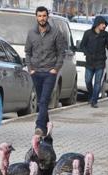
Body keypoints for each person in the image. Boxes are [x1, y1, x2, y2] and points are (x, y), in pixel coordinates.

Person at [24, 6, 65, 137]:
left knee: (44, 100)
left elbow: (61, 53)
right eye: (39, 16)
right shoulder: (31, 33)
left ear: (48, 17)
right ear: (36, 17)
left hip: (49, 72)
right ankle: (47, 125)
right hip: (36, 72)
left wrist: (56, 69)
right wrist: (30, 69)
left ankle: (39, 127)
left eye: (44, 16)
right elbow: (27, 52)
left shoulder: (56, 33)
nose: (42, 18)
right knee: (42, 101)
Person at [78, 15, 108, 108]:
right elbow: (82, 45)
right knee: (87, 80)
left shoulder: (105, 35)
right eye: (102, 24)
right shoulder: (88, 33)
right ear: (97, 24)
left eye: (105, 24)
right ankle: (91, 95)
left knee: (97, 82)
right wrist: (87, 53)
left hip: (100, 62)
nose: (104, 26)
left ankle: (94, 101)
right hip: (89, 62)